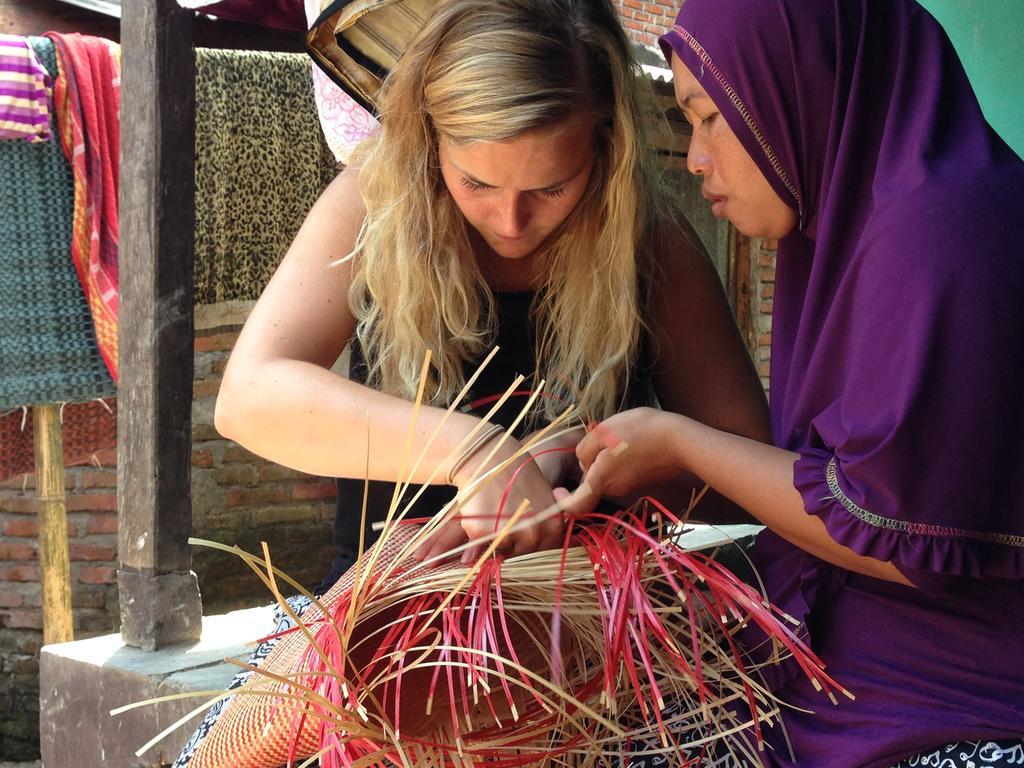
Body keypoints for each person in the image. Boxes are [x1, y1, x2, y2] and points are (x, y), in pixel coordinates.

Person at [569, 1, 1024, 767]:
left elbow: (896, 534)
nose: (694, 160)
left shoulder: (946, 235)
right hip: (852, 655)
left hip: (951, 681)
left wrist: (681, 442)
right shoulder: (846, 228)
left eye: (710, 117)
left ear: (799, 87)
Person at [214, 0, 768, 590]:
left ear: (606, 146)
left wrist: (596, 460)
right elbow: (249, 397)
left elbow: (748, 474)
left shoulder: (648, 237)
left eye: (553, 187)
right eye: (475, 182)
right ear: (429, 139)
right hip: (391, 617)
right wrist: (475, 452)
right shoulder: (378, 200)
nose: (510, 220)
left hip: (590, 617)